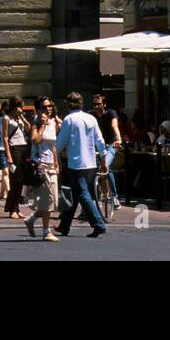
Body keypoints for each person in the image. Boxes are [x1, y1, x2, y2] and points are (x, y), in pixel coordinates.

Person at [54, 92, 107, 238]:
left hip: (76, 163)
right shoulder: (91, 118)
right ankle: (64, 226)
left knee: (83, 195)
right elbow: (100, 141)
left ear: (68, 104)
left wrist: (53, 155)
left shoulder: (69, 119)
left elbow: (60, 143)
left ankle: (98, 223)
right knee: (76, 194)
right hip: (90, 162)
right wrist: (103, 160)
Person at [25, 96, 60, 242]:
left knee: (54, 201)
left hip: (51, 164)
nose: (48, 109)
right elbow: (35, 140)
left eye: (50, 106)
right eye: (44, 107)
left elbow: (53, 145)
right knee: (49, 199)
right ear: (38, 109)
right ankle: (47, 231)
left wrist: (56, 162)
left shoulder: (53, 122)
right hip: (40, 165)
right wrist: (43, 126)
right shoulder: (36, 122)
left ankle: (32, 219)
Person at [91, 94, 123, 210]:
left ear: (104, 104)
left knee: (106, 166)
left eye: (99, 104)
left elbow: (114, 125)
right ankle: (98, 197)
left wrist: (118, 139)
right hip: (99, 146)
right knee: (101, 169)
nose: (96, 106)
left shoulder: (111, 113)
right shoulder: (92, 115)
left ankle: (114, 197)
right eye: (94, 104)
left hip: (111, 144)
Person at [2, 96, 31, 220]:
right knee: (15, 180)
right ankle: (11, 209)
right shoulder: (6, 118)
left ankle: (17, 207)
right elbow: (5, 137)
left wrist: (22, 117)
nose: (21, 109)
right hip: (14, 149)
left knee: (21, 181)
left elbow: (28, 128)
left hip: (23, 148)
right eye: (19, 106)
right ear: (14, 107)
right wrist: (8, 154)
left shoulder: (19, 118)